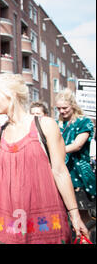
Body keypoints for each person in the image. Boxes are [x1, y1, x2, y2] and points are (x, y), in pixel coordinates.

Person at [0, 73, 89, 244]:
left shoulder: (45, 125)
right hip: (11, 218)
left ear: (10, 94)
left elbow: (60, 172)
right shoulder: (1, 131)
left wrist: (75, 216)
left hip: (44, 216)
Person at [55, 88, 95, 226]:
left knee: (83, 216)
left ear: (73, 105)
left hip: (79, 174)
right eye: (59, 108)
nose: (61, 111)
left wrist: (55, 150)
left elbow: (77, 145)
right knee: (63, 216)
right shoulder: (57, 123)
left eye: (65, 108)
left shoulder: (84, 122)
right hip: (61, 171)